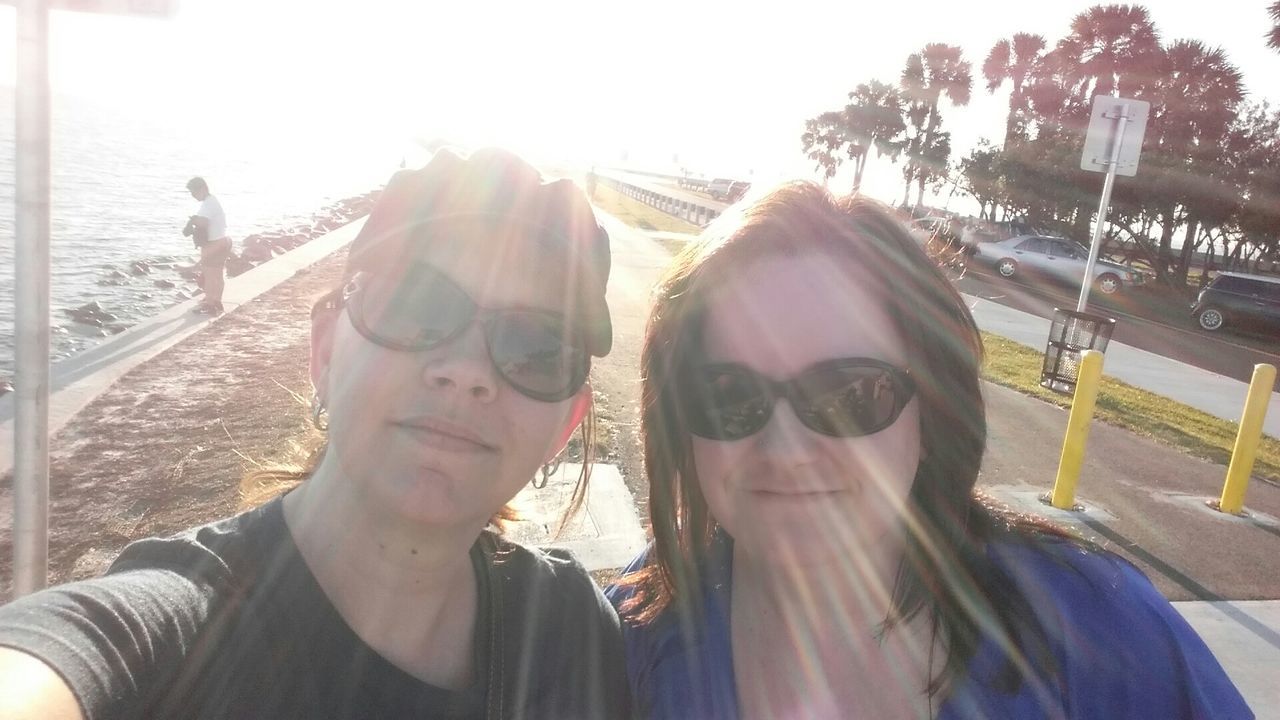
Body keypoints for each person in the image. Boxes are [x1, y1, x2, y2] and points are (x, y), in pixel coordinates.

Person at [0, 148, 631, 719]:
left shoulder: (571, 629)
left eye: (537, 347)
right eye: (416, 306)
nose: (467, 372)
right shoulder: (165, 636)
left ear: (563, 428)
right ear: (325, 352)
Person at [606, 182, 1253, 719]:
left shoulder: (1095, 627)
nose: (786, 449)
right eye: (728, 397)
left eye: (851, 393)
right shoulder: (636, 630)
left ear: (932, 414)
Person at [184, 176, 233, 315]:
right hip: (223, 240)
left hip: (213, 243)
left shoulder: (207, 204)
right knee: (217, 274)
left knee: (210, 274)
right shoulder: (213, 200)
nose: (193, 196)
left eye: (194, 192)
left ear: (203, 189)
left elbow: (204, 223)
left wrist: (193, 220)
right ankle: (217, 301)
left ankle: (210, 305)